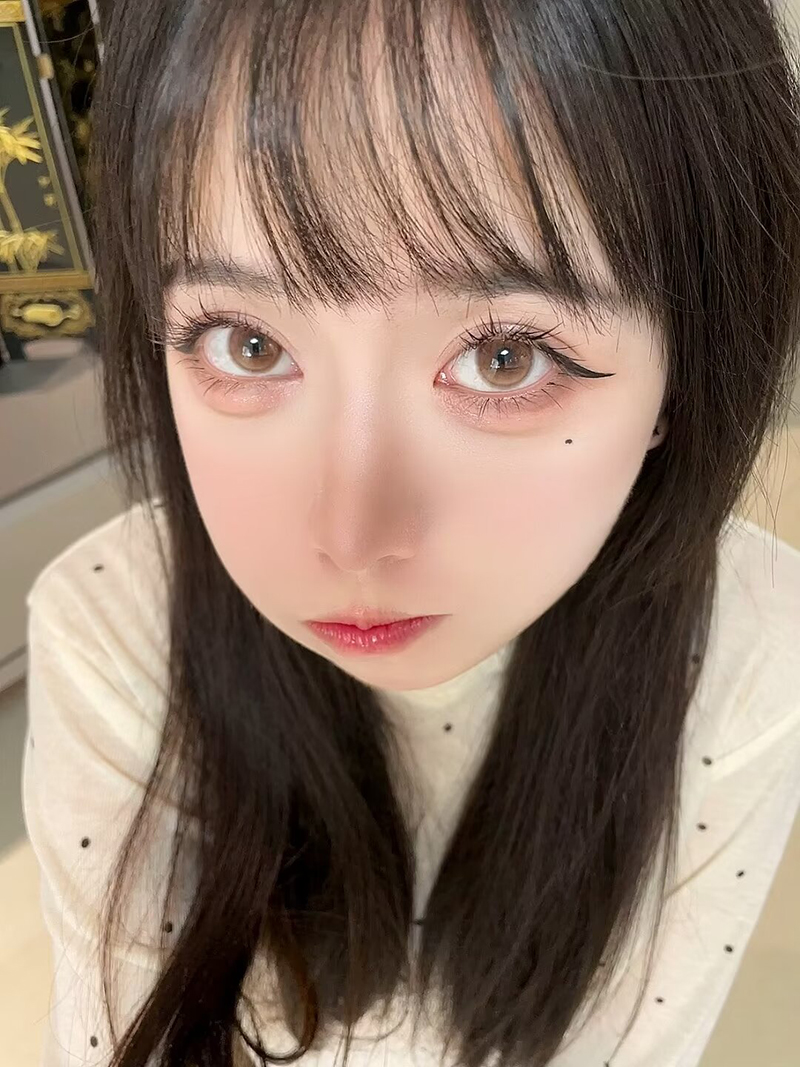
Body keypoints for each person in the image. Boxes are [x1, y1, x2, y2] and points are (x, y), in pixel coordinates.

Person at [21, 1, 800, 1065]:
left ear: (684, 372)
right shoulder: (112, 630)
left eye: (505, 357)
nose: (350, 537)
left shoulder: (752, 655)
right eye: (247, 342)